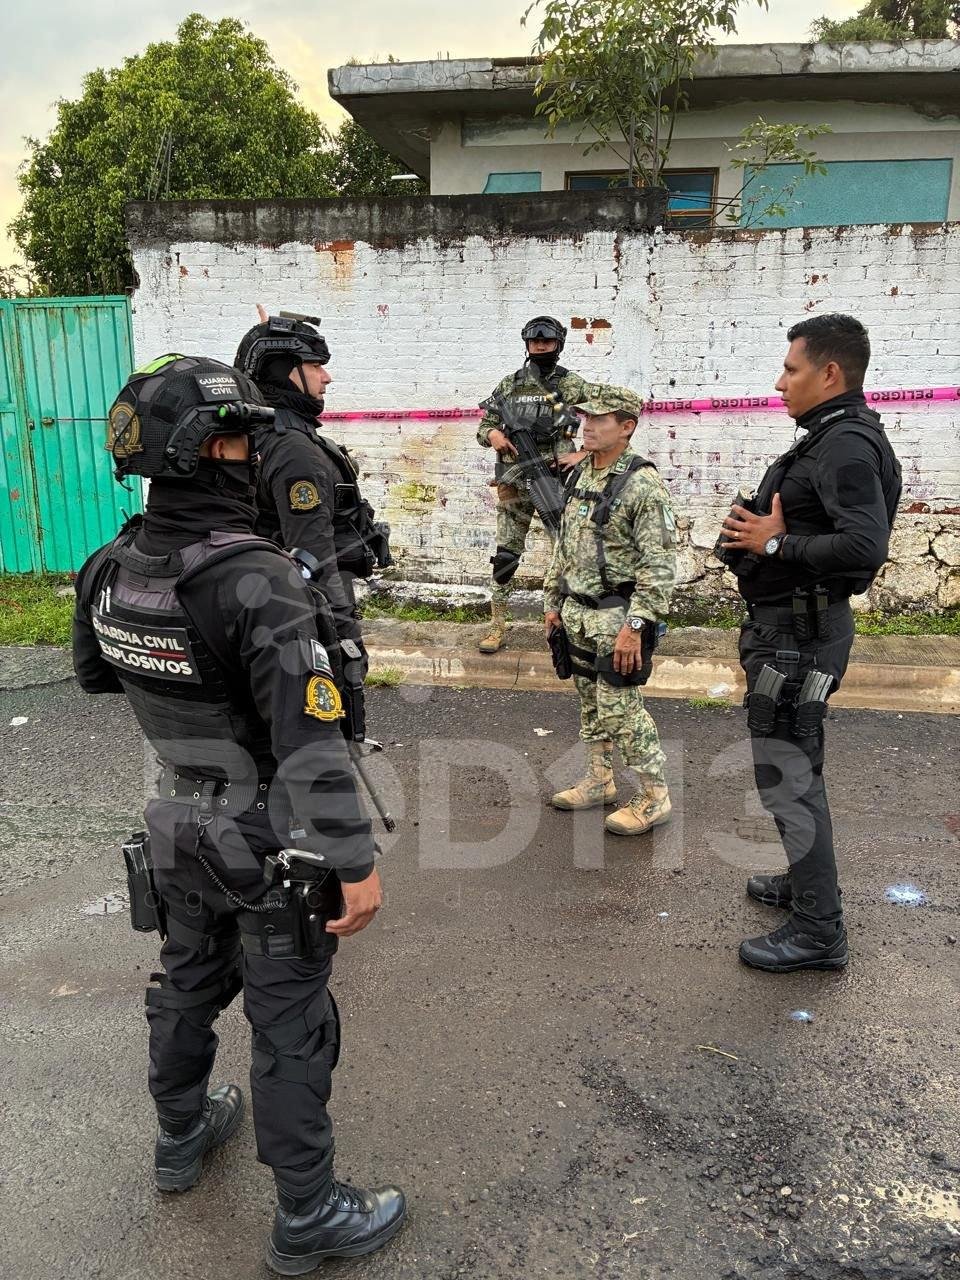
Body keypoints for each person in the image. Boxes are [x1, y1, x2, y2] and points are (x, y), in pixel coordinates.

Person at [72, 355, 405, 1273]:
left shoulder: (109, 565)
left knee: (186, 981)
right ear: (207, 450)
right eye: (239, 440)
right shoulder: (256, 578)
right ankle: (309, 1213)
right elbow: (310, 746)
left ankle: (181, 1135)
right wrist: (355, 863)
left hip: (177, 819)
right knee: (290, 1017)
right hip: (269, 838)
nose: (252, 456)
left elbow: (96, 676)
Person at [718, 314, 902, 974]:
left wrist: (774, 545)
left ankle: (820, 930)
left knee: (789, 777)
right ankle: (805, 883)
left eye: (791, 369)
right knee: (791, 772)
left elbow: (864, 546)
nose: (779, 382)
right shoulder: (832, 437)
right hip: (791, 632)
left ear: (828, 373)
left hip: (800, 638)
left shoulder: (845, 445)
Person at [544, 384, 677, 836]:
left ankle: (655, 796)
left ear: (626, 427)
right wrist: (553, 602)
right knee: (590, 704)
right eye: (586, 418)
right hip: (578, 613)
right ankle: (600, 780)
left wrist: (636, 627)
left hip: (618, 618)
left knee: (620, 707)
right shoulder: (581, 474)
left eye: (600, 419)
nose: (588, 426)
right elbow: (564, 545)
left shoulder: (642, 484)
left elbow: (659, 565)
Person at [234, 308, 390, 653]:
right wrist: (343, 640)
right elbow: (313, 559)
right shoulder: (292, 450)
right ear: (282, 372)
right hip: (303, 614)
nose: (327, 377)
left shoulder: (255, 433)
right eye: (315, 366)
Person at [476, 316, 590, 653]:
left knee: (566, 553)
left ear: (558, 344)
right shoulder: (510, 384)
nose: (540, 346)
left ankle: (563, 625)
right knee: (506, 556)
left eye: (547, 341)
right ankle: (497, 626)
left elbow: (610, 416)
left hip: (555, 482)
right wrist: (493, 435)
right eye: (535, 341)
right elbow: (485, 425)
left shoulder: (570, 384)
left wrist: (584, 453)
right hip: (513, 482)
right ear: (527, 344)